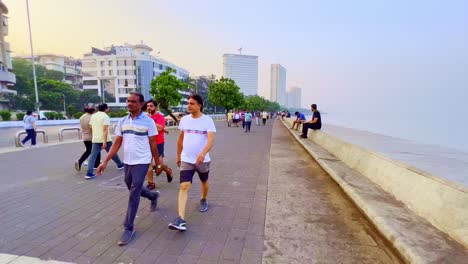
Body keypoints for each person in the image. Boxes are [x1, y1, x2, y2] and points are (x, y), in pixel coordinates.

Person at [97, 92, 161, 246]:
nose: (129, 104)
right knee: (132, 187)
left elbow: (153, 143)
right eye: (128, 101)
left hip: (142, 161)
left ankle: (129, 227)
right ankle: (153, 196)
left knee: (134, 193)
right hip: (128, 161)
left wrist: (157, 163)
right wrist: (105, 161)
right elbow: (118, 142)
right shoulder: (123, 121)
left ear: (141, 104)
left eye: (133, 101)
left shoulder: (148, 122)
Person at [168, 94, 216, 231]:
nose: (189, 105)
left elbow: (211, 139)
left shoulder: (207, 120)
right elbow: (180, 139)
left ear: (199, 105)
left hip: (202, 160)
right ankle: (181, 219)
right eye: (188, 103)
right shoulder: (184, 120)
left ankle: (204, 199)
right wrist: (178, 156)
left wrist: (203, 153)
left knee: (204, 182)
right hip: (186, 159)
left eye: (192, 103)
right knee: (184, 186)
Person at [85, 103, 124, 179]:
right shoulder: (105, 116)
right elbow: (105, 129)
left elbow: (90, 126)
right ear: (105, 109)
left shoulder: (93, 116)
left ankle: (89, 173)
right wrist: (104, 142)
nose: (108, 109)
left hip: (95, 139)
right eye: (108, 108)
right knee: (112, 152)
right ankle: (120, 164)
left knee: (93, 156)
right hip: (105, 139)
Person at [144, 99, 173, 190]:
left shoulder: (160, 117)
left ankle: (167, 170)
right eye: (148, 106)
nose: (149, 108)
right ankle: (151, 183)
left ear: (156, 107)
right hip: (147, 143)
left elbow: (160, 128)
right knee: (148, 164)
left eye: (151, 106)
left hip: (158, 143)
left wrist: (149, 120)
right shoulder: (145, 117)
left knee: (159, 165)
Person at [75, 106, 101, 171]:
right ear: (93, 111)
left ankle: (95, 164)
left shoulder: (82, 117)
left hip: (85, 136)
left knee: (89, 150)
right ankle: (81, 161)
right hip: (91, 136)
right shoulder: (92, 117)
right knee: (96, 149)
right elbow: (92, 127)